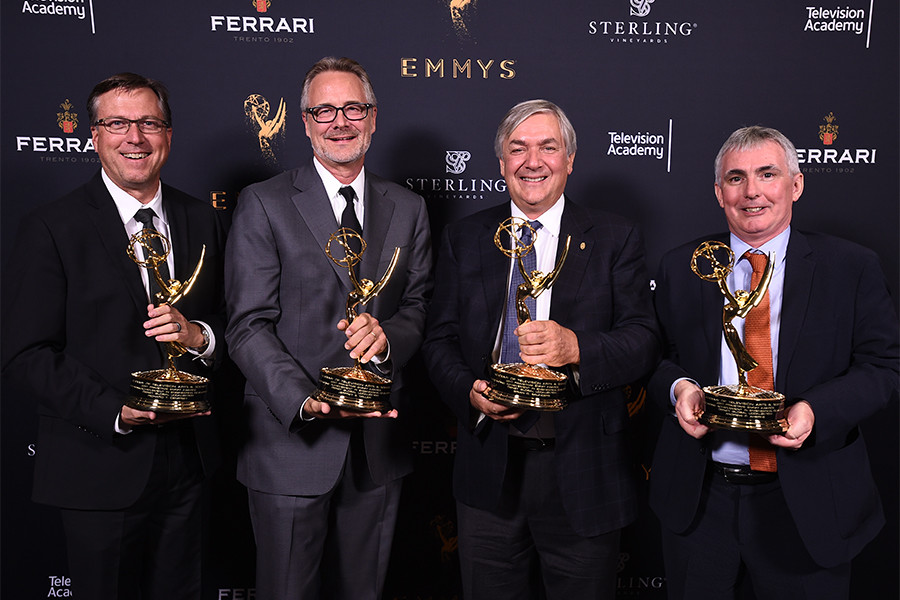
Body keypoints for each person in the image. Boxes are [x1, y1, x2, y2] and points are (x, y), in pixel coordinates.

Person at [421, 99, 660, 599]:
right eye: (518, 149)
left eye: (548, 147)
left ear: (569, 159)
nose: (533, 161)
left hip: (584, 471)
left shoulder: (614, 237)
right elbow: (439, 339)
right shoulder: (464, 237)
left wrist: (576, 347)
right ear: (501, 162)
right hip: (489, 468)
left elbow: (643, 339)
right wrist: (469, 392)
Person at [648, 125, 899, 599]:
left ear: (796, 184)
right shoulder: (683, 266)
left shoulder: (851, 267)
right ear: (719, 192)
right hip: (700, 502)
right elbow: (656, 358)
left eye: (767, 174)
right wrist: (679, 388)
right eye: (736, 178)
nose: (752, 191)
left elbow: (883, 368)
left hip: (808, 501)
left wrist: (815, 411)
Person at [1, 73, 226, 600]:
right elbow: (24, 353)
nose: (135, 138)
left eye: (149, 122)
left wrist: (200, 336)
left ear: (168, 134)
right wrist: (116, 411)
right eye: (118, 124)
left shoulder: (205, 220)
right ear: (95, 135)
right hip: (97, 462)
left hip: (190, 462)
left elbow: (232, 321)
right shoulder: (52, 227)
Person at [224, 56, 432, 599]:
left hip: (377, 451)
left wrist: (387, 340)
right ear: (305, 121)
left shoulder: (408, 208)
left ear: (373, 117)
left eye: (353, 108)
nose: (340, 122)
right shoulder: (264, 202)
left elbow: (417, 307)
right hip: (290, 445)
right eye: (324, 111)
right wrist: (304, 400)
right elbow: (247, 325)